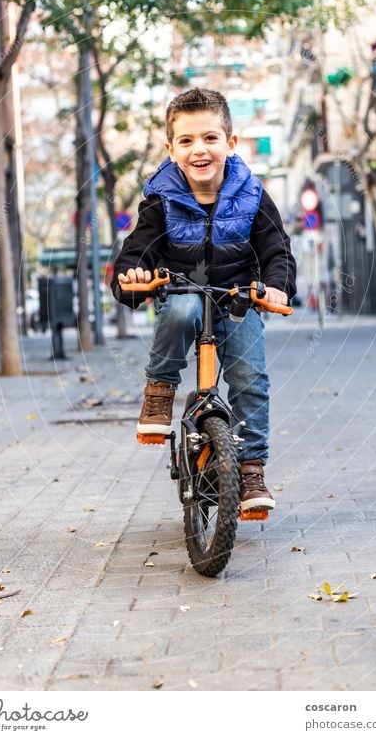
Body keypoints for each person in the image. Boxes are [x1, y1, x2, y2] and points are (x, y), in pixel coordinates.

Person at [112, 87, 296, 513]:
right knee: (183, 308)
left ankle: (250, 471)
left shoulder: (252, 196)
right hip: (181, 289)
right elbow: (138, 248)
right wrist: (134, 274)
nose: (200, 149)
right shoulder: (161, 199)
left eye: (211, 138)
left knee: (251, 378)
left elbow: (276, 250)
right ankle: (160, 388)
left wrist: (277, 284)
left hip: (237, 298)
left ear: (230, 144)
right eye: (188, 140)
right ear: (171, 148)